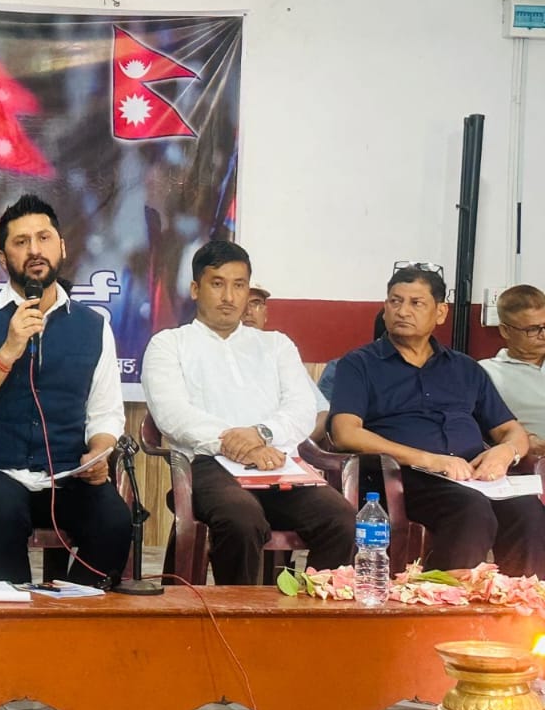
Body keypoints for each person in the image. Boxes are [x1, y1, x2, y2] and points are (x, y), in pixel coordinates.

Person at [0, 194, 130, 585]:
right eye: (21, 242)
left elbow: (106, 412)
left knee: (114, 520)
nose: (34, 250)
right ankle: (14, 619)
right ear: (3, 256)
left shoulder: (93, 326)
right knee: (4, 513)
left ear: (62, 246)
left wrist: (99, 451)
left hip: (67, 475)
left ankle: (73, 612)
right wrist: (7, 351)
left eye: (44, 238)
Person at [142, 241, 355, 585]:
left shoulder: (276, 345)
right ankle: (237, 614)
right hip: (209, 465)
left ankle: (310, 612)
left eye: (239, 285)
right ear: (195, 289)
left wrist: (261, 434)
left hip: (279, 465)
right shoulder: (169, 344)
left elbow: (303, 409)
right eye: (217, 284)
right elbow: (173, 414)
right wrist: (239, 446)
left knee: (342, 518)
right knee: (242, 519)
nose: (229, 296)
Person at [330, 265, 545, 575]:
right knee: (471, 510)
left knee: (529, 513)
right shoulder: (359, 364)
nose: (403, 311)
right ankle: (442, 599)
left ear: (440, 312)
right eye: (395, 301)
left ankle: (514, 601)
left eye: (416, 303)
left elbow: (511, 430)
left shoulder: (465, 368)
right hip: (406, 475)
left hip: (470, 475)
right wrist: (429, 459)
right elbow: (345, 433)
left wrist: (505, 452)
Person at [241, 279, 330, 442]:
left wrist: (290, 447)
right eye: (242, 302)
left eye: (256, 303)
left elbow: (322, 414)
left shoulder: (280, 349)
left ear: (265, 314)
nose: (248, 311)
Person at [480, 284, 545, 456]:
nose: (543, 334)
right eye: (532, 329)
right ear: (505, 331)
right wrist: (525, 440)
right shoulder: (485, 372)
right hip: (530, 459)